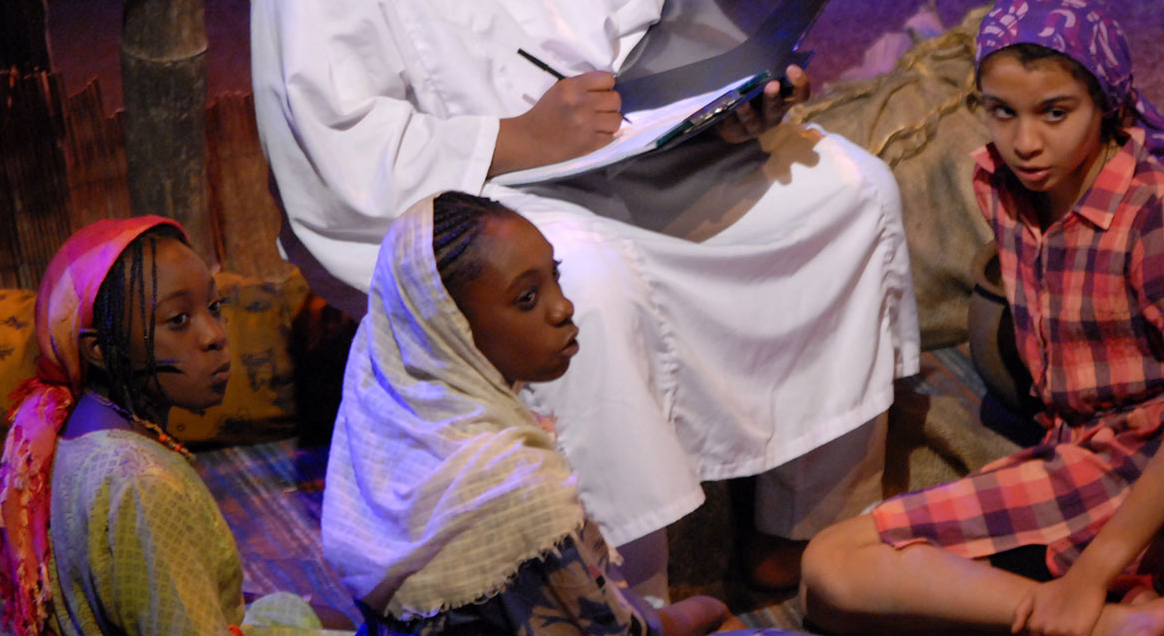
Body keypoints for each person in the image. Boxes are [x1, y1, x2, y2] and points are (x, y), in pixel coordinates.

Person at [244, 0, 917, 594]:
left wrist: (732, 90)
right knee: (580, 291)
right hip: (448, 207)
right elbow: (336, 155)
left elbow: (655, 20)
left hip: (612, 154)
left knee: (846, 191)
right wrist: (516, 138)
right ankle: (624, 592)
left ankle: (809, 533)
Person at [800, 0, 1164, 636]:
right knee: (833, 590)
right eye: (1002, 111)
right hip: (1072, 453)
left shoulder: (1158, 214)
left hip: (1156, 478)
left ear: (1107, 102)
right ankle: (1113, 620)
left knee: (835, 566)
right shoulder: (1004, 187)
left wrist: (1091, 573)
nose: (1026, 141)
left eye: (1055, 112)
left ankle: (1100, 606)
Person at [324, 190, 809, 634]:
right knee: (718, 618)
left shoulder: (386, 417)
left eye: (555, 276)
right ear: (452, 331)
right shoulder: (514, 486)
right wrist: (699, 612)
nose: (563, 308)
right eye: (527, 299)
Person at [0, 217, 351, 635]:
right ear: (100, 350)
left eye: (214, 309)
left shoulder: (72, 428)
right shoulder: (145, 485)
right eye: (178, 320)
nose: (215, 335)